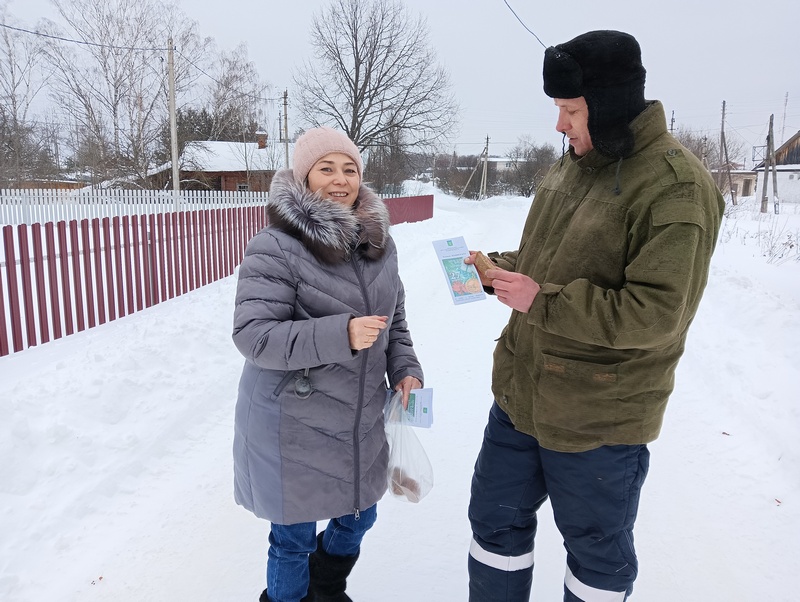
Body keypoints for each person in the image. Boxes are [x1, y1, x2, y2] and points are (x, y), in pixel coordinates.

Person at [465, 30, 725, 601]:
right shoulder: (574, 165)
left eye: (570, 110)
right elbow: (546, 264)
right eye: (559, 109)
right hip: (519, 398)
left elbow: (656, 313)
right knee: (493, 526)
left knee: (596, 555)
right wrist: (497, 269)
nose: (560, 124)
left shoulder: (675, 187)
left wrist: (543, 300)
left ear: (608, 105)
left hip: (596, 420)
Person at [231, 127, 424, 602]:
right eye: (326, 168)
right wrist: (341, 335)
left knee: (361, 514)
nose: (341, 180)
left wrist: (405, 368)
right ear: (303, 176)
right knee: (293, 539)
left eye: (350, 168)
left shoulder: (380, 244)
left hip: (358, 415)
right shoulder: (275, 246)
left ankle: (326, 587)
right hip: (292, 422)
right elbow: (253, 335)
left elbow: (394, 320)